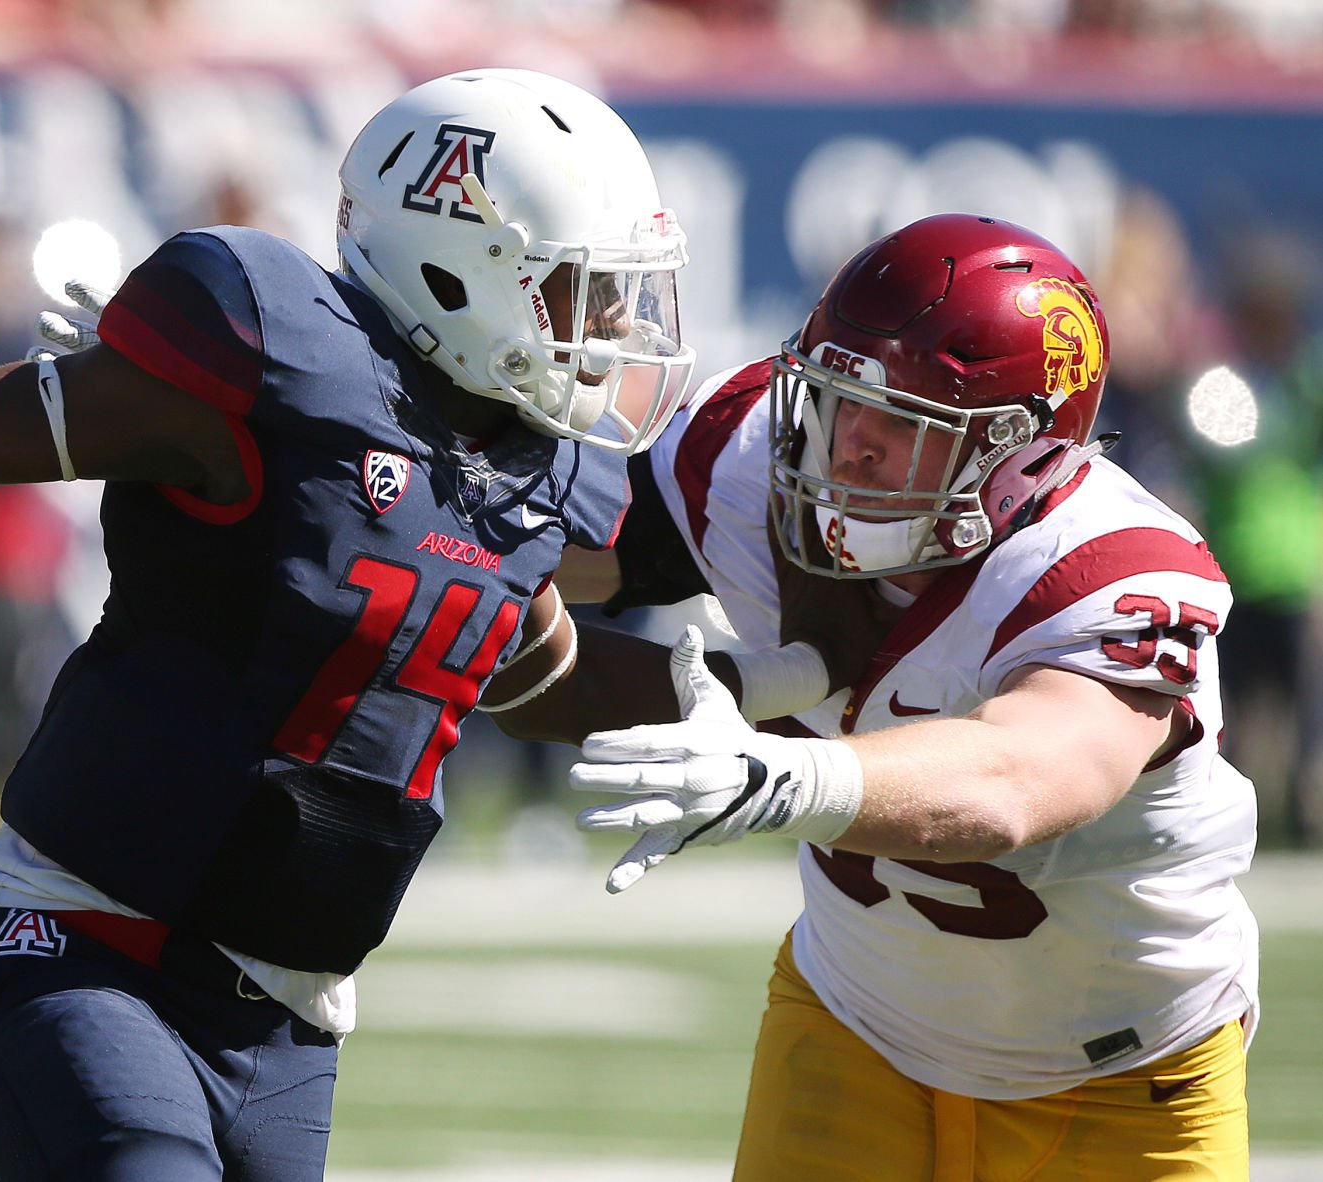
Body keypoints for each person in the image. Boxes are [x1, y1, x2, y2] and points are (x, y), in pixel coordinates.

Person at [0, 68, 696, 1181]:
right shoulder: (277, 361)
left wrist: (786, 724)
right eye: (578, 289)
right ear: (456, 268)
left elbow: (544, 677)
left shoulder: (530, 478)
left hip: (285, 1025)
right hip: (76, 946)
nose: (607, 327)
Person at [486, 214, 1258, 1180]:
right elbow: (524, 562)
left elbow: (1018, 777)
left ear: (1011, 455)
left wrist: (783, 776)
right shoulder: (755, 459)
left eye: (900, 424)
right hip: (855, 1025)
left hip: (1121, 1073)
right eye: (837, 398)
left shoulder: (1105, 570)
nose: (846, 446)